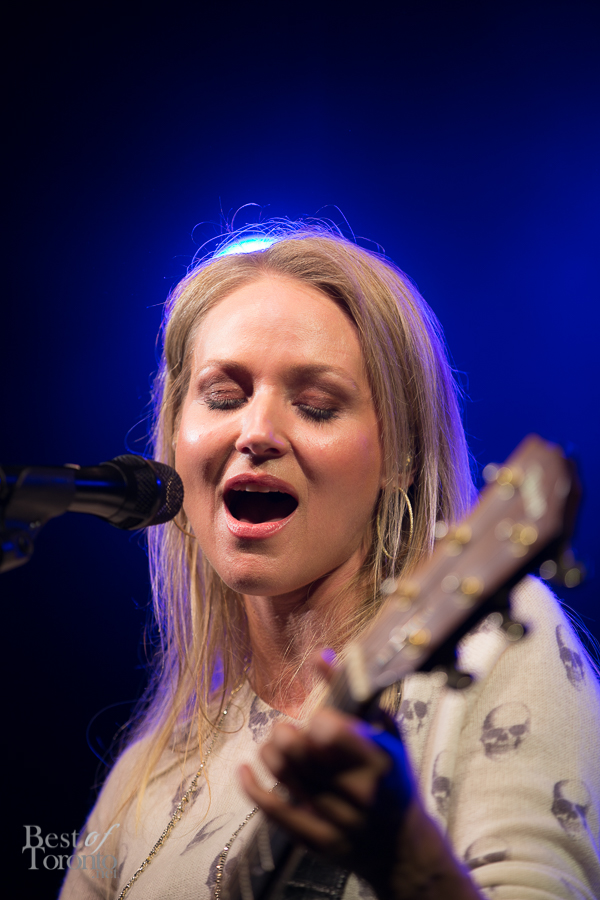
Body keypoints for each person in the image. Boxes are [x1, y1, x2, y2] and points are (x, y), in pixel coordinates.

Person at [60, 223, 600, 900]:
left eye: (316, 406)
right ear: (174, 442)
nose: (256, 433)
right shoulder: (144, 780)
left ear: (401, 457)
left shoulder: (492, 645)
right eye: (223, 397)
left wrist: (410, 867)